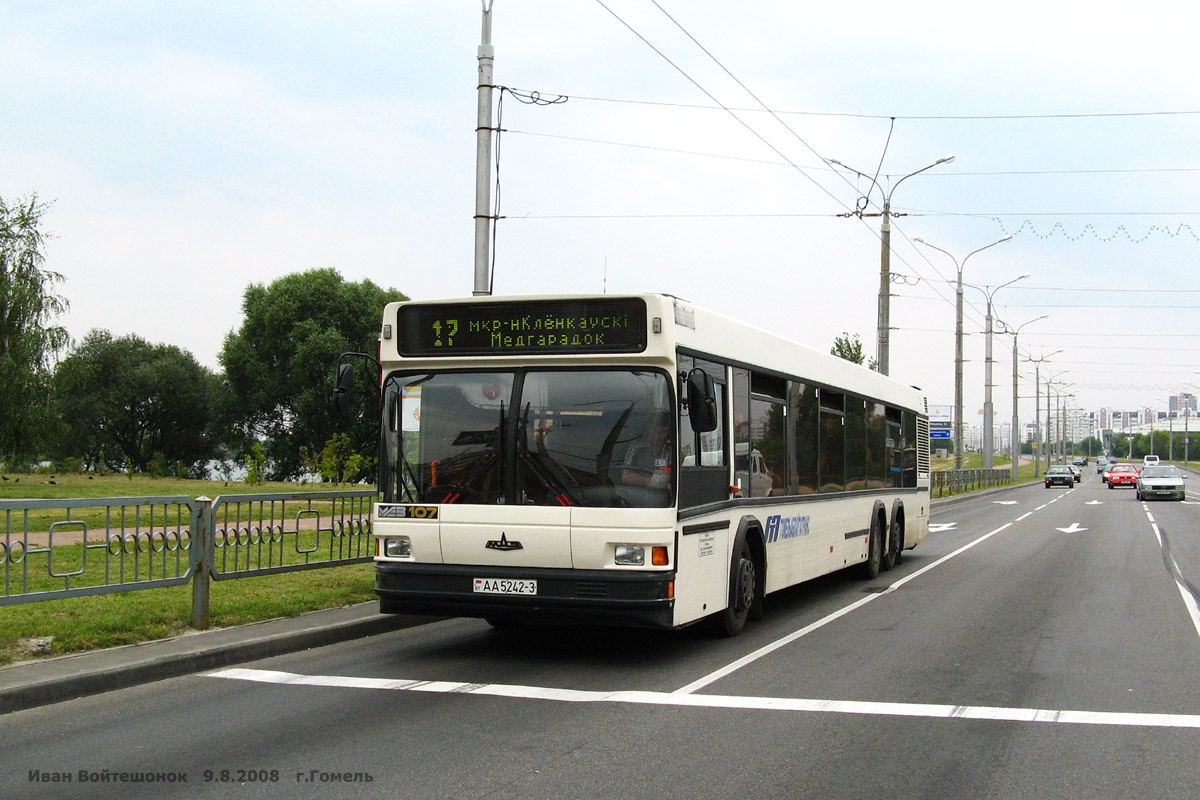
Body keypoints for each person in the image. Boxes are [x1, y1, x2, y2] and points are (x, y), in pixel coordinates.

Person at [621, 417, 672, 489]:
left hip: (663, 496)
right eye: (658, 433)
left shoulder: (670, 451)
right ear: (650, 432)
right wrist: (651, 481)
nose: (662, 436)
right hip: (636, 494)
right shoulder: (637, 448)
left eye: (664, 432)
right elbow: (625, 476)